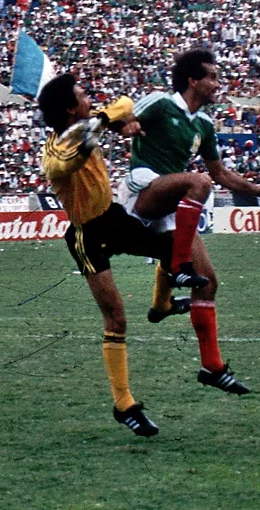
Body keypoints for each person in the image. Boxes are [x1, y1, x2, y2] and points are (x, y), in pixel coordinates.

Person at [117, 48, 260, 395]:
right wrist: (127, 124)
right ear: (193, 80)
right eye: (212, 77)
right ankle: (176, 267)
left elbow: (219, 172)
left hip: (171, 202)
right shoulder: (162, 103)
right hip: (142, 191)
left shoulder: (204, 125)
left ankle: (212, 367)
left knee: (207, 282)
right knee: (198, 182)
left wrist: (254, 188)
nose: (217, 83)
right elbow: (125, 117)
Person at [38, 74, 189, 437]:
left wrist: (114, 119)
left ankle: (162, 305)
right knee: (116, 319)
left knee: (172, 248)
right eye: (81, 95)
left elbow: (123, 104)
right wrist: (104, 127)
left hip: (111, 217)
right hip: (86, 235)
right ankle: (124, 403)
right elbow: (63, 165)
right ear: (70, 108)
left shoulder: (89, 122)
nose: (89, 97)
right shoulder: (55, 151)